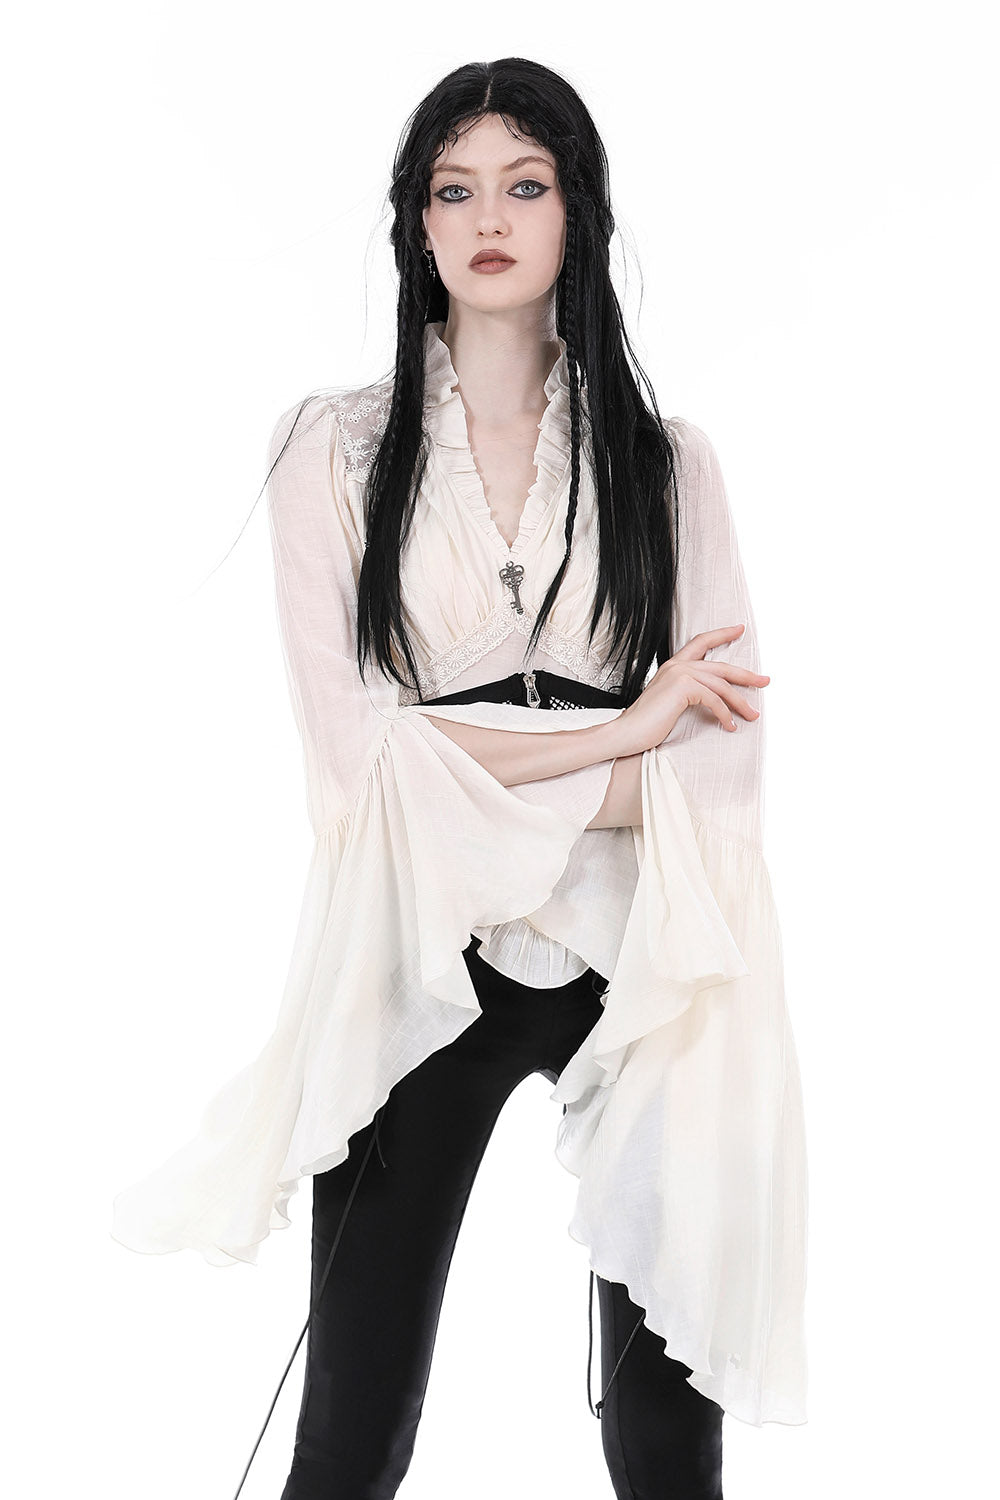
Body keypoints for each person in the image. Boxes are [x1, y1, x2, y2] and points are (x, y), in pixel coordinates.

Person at [111, 57, 808, 1500]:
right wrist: (620, 733)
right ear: (416, 222)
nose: (489, 217)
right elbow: (356, 774)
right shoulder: (334, 450)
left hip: (643, 962)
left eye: (525, 184)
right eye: (455, 188)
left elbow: (719, 789)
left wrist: (473, 761)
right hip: (420, 949)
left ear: (576, 212)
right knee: (350, 1432)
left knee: (667, 1443)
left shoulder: (667, 466)